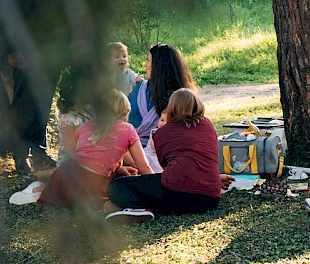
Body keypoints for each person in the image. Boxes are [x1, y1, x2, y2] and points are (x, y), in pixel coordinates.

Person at [106, 88, 233, 223]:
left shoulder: (161, 133)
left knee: (117, 185)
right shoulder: (207, 125)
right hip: (210, 199)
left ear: (171, 108)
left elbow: (167, 168)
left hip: (177, 194)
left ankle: (139, 208)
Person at [36, 89, 153, 209]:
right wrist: (156, 185)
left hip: (64, 177)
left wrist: (118, 168)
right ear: (126, 112)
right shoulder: (128, 129)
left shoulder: (86, 125)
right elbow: (144, 166)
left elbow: (90, 155)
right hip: (92, 186)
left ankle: (40, 186)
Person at [11, 71, 91, 204]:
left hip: (91, 157)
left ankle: (41, 177)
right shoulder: (68, 120)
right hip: (75, 160)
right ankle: (38, 182)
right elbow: (72, 151)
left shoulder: (90, 111)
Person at [128, 43, 197, 171]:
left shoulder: (180, 98)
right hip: (130, 150)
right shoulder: (139, 89)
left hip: (162, 152)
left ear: (159, 66)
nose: (145, 65)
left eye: (148, 60)